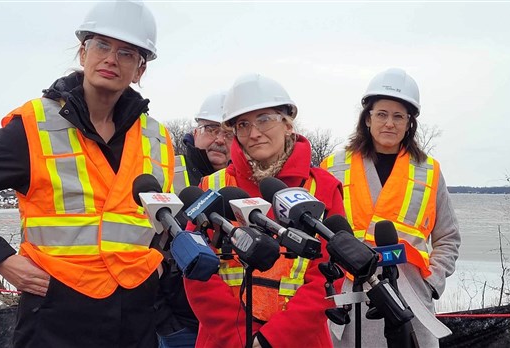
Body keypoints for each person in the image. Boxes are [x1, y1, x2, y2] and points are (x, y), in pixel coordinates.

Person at [0, 1, 175, 347]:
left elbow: (158, 219)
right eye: (101, 45)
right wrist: (1, 259)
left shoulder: (158, 138)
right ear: (83, 52)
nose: (110, 58)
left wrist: (158, 261)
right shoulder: (33, 127)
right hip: (57, 313)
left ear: (139, 69)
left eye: (126, 53)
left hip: (136, 315)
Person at [183, 73, 346, 348]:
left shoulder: (323, 187)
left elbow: (330, 276)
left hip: (301, 340)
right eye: (243, 124)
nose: (254, 133)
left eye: (265, 119)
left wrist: (273, 339)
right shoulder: (212, 187)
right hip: (226, 341)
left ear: (288, 124)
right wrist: (242, 339)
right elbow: (196, 270)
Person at [321, 68, 461, 347]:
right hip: (351, 298)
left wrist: (432, 283)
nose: (389, 123)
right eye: (382, 114)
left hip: (411, 299)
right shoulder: (333, 168)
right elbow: (318, 235)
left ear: (410, 122)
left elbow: (448, 238)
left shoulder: (429, 171)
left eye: (399, 116)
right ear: (367, 118)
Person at [156, 91, 233, 348]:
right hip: (180, 325)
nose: (220, 140)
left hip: (231, 320)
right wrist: (164, 319)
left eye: (229, 133)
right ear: (196, 131)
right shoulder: (168, 174)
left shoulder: (240, 184)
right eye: (211, 129)